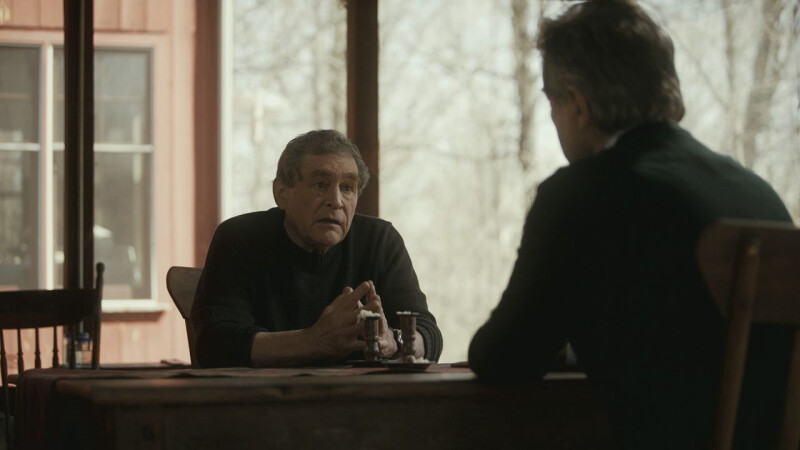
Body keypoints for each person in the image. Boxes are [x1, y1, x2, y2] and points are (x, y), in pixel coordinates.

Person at [468, 1, 793, 448]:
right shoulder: (759, 194)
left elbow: (502, 358)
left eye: (551, 101)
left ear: (577, 105)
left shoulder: (582, 194)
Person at [192, 129, 443, 368]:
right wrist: (313, 341)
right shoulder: (239, 238)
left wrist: (394, 342)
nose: (336, 201)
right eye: (320, 184)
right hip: (263, 396)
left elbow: (428, 334)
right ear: (281, 193)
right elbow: (214, 344)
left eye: (347, 188)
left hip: (360, 396)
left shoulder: (380, 241)